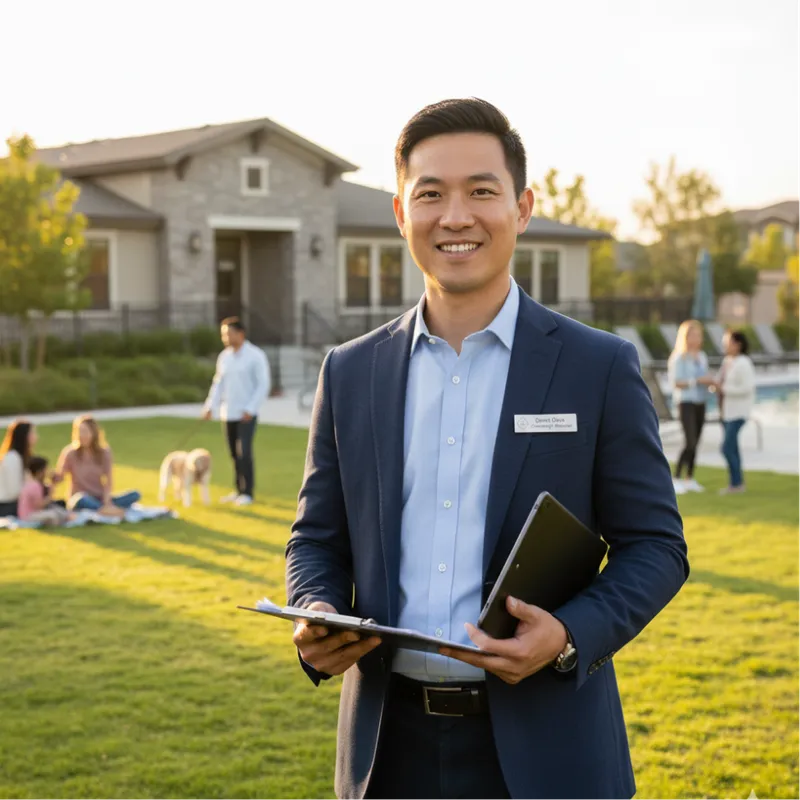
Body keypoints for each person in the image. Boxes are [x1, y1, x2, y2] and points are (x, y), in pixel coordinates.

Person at [285, 98, 689, 800]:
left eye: (481, 191)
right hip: (387, 754)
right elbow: (316, 539)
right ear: (400, 212)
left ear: (523, 206)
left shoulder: (599, 367)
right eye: (431, 194)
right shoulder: (349, 372)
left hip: (549, 751)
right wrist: (316, 609)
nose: (456, 216)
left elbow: (656, 545)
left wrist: (566, 633)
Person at [202, 316, 270, 506]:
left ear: (241, 333)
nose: (226, 338)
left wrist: (251, 408)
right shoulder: (224, 357)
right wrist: (210, 406)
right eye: (223, 335)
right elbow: (218, 383)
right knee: (233, 453)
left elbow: (263, 384)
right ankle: (238, 489)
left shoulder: (255, 356)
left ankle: (248, 492)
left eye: (229, 334)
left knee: (244, 452)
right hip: (228, 413)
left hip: (246, 414)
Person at [52, 415, 141, 516]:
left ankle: (104, 509)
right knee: (81, 499)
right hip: (80, 498)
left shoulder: (104, 452)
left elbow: (108, 480)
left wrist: (107, 501)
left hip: (100, 497)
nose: (82, 435)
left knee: (135, 494)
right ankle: (107, 511)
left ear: (94, 433)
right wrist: (53, 477)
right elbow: (60, 476)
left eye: (85, 431)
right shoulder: (70, 452)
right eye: (79, 431)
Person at [667, 319, 715, 494]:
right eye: (692, 335)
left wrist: (710, 383)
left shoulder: (702, 356)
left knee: (697, 441)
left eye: (697, 335)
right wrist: (697, 381)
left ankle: (690, 478)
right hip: (685, 402)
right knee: (690, 441)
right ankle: (676, 477)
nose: (695, 338)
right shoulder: (678, 357)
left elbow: (705, 377)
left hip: (700, 401)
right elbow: (676, 383)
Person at [715, 329, 756, 494]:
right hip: (726, 412)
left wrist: (723, 388)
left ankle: (736, 483)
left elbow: (747, 388)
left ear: (738, 344)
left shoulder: (744, 363)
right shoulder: (727, 361)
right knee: (733, 449)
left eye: (728, 342)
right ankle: (737, 484)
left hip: (738, 413)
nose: (725, 345)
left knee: (726, 448)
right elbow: (719, 381)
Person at [18, 456, 72, 526]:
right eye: (46, 469)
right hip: (28, 516)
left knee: (58, 511)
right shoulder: (34, 486)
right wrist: (50, 495)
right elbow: (40, 506)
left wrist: (53, 484)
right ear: (39, 472)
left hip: (35, 512)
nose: (48, 472)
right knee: (53, 516)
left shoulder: (36, 484)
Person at [0, 419, 37, 517]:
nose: (36, 437)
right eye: (32, 433)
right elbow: (14, 492)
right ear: (23, 436)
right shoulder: (12, 458)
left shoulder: (21, 457)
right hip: (7, 507)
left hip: (16, 504)